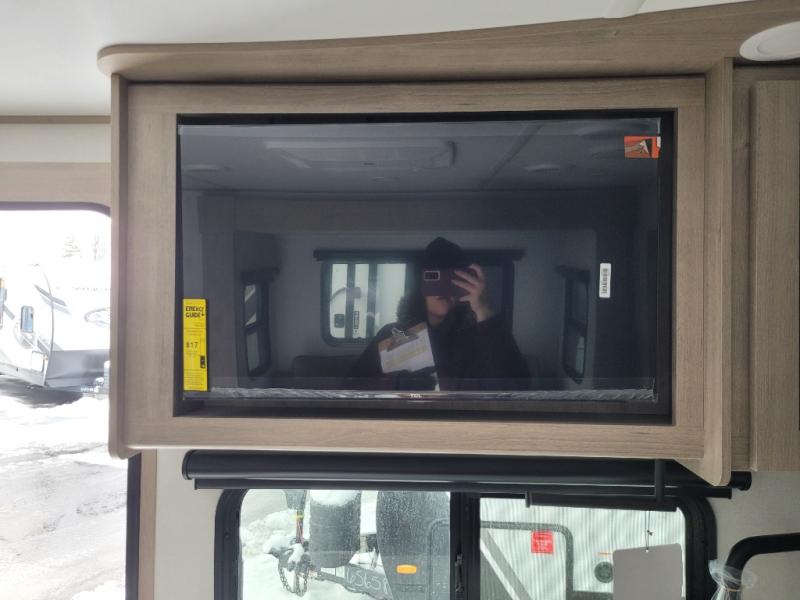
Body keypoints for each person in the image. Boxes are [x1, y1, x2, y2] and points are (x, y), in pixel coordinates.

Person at [346, 237, 529, 390]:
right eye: (435, 278)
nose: (444, 289)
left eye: (452, 280)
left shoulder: (480, 338)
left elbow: (516, 388)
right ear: (421, 285)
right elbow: (351, 388)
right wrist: (397, 384)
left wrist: (484, 310)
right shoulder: (394, 334)